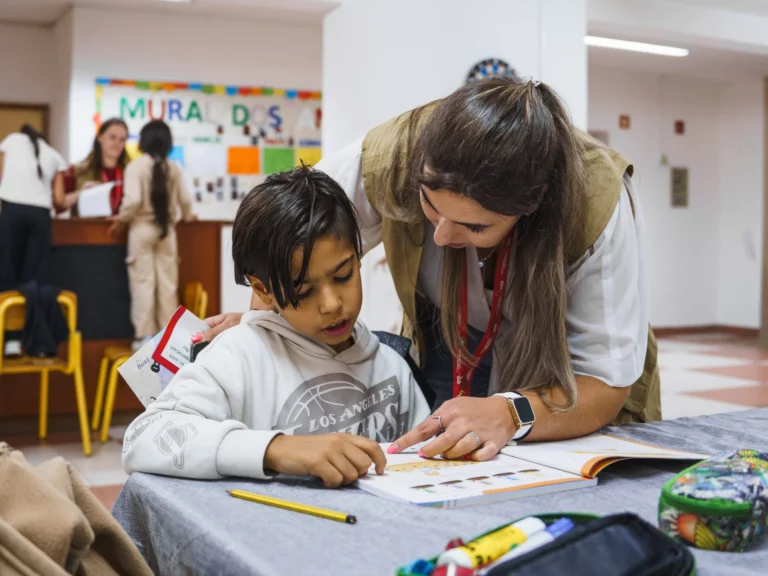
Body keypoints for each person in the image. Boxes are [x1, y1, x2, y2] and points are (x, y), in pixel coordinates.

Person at [201, 77, 659, 462]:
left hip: (563, 371)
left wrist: (510, 413)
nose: (441, 237)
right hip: (445, 334)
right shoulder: (390, 156)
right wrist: (271, 321)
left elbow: (604, 380)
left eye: (474, 226)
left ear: (533, 203)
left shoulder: (595, 200)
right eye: (429, 206)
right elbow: (284, 239)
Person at [121, 166, 431, 487]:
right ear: (263, 289)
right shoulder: (240, 356)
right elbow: (142, 439)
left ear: (357, 255)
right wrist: (275, 448)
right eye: (304, 291)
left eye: (343, 275)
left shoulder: (391, 366)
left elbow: (426, 466)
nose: (332, 304)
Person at [109, 120, 194, 350]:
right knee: (168, 285)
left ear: (143, 142)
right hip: (167, 231)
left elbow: (133, 201)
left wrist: (121, 220)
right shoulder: (173, 167)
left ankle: (145, 337)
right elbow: (186, 201)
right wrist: (188, 215)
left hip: (141, 230)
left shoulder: (136, 167)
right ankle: (168, 338)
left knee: (142, 283)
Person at [0, 125, 75, 356]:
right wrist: (80, 194)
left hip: (11, 211)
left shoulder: (11, 140)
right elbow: (60, 200)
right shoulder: (55, 155)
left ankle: (10, 340)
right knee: (34, 281)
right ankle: (37, 344)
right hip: (41, 217)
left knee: (7, 274)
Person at [63, 117, 129, 216]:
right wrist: (80, 193)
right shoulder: (76, 170)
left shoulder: (130, 173)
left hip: (122, 225)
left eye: (122, 139)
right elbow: (59, 205)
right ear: (99, 137)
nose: (117, 143)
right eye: (112, 137)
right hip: (86, 225)